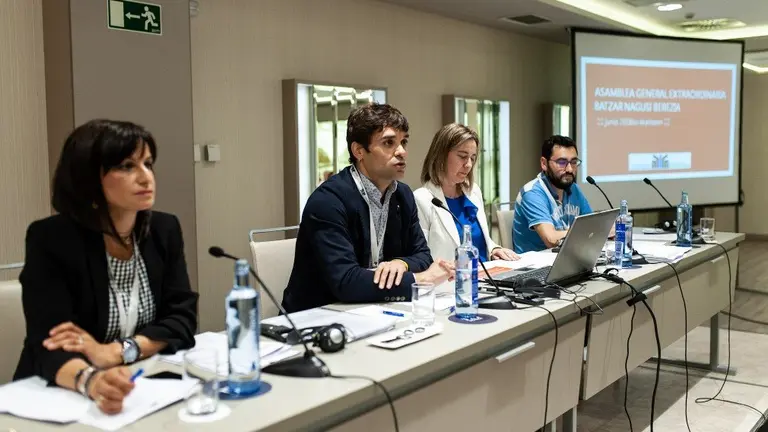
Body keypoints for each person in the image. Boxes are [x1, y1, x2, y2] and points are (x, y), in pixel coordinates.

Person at [14, 120, 198, 415]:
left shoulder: (164, 229)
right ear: (88, 177)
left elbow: (182, 318)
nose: (145, 177)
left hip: (140, 385)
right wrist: (93, 381)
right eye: (127, 166)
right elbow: (51, 340)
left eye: (148, 164)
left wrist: (117, 351)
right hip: (60, 394)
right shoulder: (51, 239)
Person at [282, 103, 454, 313]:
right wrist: (421, 280)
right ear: (359, 151)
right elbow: (346, 281)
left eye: (403, 142)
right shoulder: (328, 201)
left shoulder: (403, 195)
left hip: (374, 310)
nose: (402, 152)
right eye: (389, 143)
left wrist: (401, 264)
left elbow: (423, 255)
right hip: (316, 317)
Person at [414, 123, 519, 263]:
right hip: (452, 276)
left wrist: (494, 249)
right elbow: (421, 257)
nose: (469, 164)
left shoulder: (473, 191)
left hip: (487, 272)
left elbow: (480, 241)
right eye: (463, 156)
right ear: (441, 155)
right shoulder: (422, 199)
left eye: (472, 158)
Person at [512, 135, 593, 253]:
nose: (570, 169)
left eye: (574, 162)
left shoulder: (574, 189)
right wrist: (589, 232)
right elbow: (551, 239)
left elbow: (592, 224)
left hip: (567, 256)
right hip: (537, 262)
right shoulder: (532, 193)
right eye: (562, 162)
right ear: (544, 163)